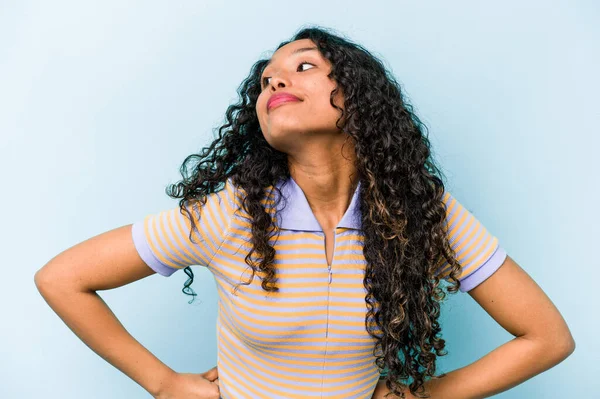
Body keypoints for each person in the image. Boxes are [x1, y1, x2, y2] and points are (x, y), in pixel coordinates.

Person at [35, 26, 575, 399]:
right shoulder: (230, 216)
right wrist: (162, 382)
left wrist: (422, 395)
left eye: (303, 66)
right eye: (267, 78)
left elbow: (547, 337)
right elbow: (62, 278)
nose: (275, 81)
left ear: (358, 97)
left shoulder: (421, 214)